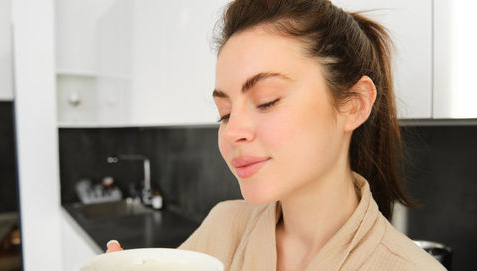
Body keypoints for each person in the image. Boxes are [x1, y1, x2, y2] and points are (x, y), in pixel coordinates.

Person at [107, 0, 445, 270]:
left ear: (353, 105)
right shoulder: (223, 229)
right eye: (225, 113)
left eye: (266, 101)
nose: (233, 131)